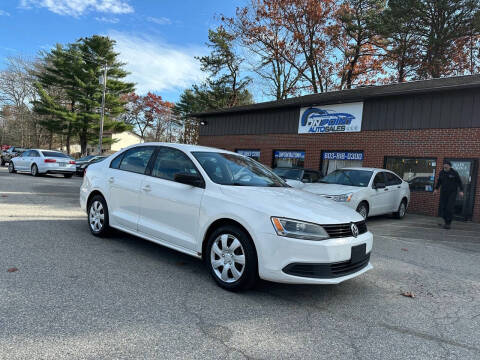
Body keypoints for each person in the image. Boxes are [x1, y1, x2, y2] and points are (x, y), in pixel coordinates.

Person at [433, 161, 464, 229]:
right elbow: (439, 182)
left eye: (446, 166)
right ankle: (445, 221)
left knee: (449, 208)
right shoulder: (441, 172)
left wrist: (461, 190)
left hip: (452, 193)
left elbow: (459, 182)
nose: (445, 167)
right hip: (444, 192)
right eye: (444, 166)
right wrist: (436, 189)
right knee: (443, 208)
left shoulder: (454, 173)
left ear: (450, 166)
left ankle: (448, 223)